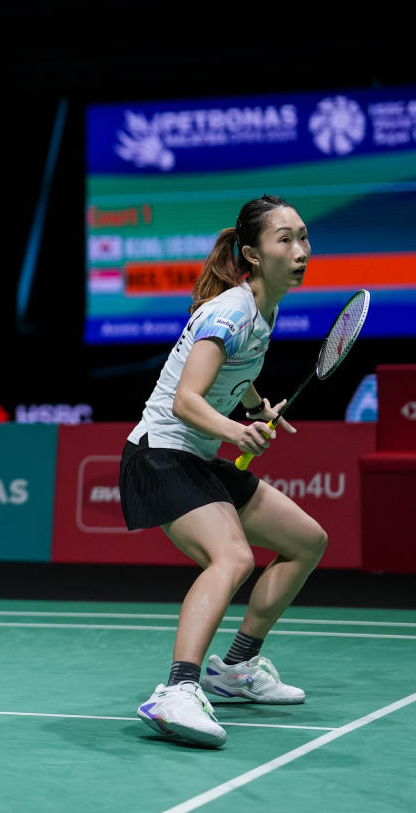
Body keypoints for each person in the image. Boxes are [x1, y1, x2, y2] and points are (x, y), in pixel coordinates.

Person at [119, 194, 327, 748]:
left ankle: (235, 669)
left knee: (307, 540)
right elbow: (187, 399)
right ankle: (177, 691)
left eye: (303, 236)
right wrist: (238, 432)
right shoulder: (231, 310)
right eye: (285, 239)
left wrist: (256, 409)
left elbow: (236, 370)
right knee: (232, 557)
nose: (301, 250)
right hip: (159, 454)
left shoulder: (263, 309)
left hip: (198, 457)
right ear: (254, 255)